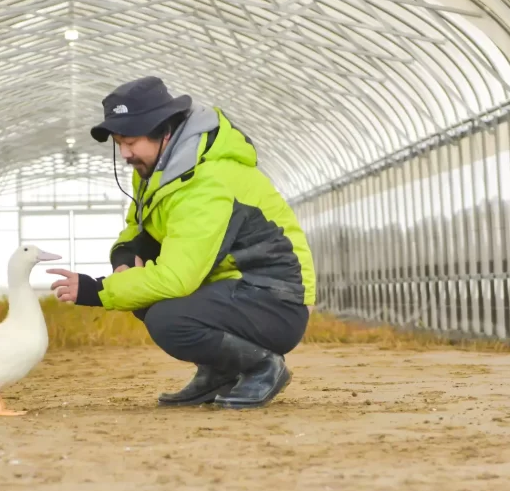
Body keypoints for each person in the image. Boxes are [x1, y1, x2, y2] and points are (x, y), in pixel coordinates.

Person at [47, 76, 316, 410]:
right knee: (143, 293)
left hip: (275, 301)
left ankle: (262, 366)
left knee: (168, 318)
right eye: (119, 143)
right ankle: (218, 372)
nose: (125, 153)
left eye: (131, 142)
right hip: (235, 291)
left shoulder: (205, 181)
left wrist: (96, 290)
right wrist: (127, 255)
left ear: (165, 131)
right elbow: (138, 226)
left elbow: (177, 278)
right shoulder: (158, 170)